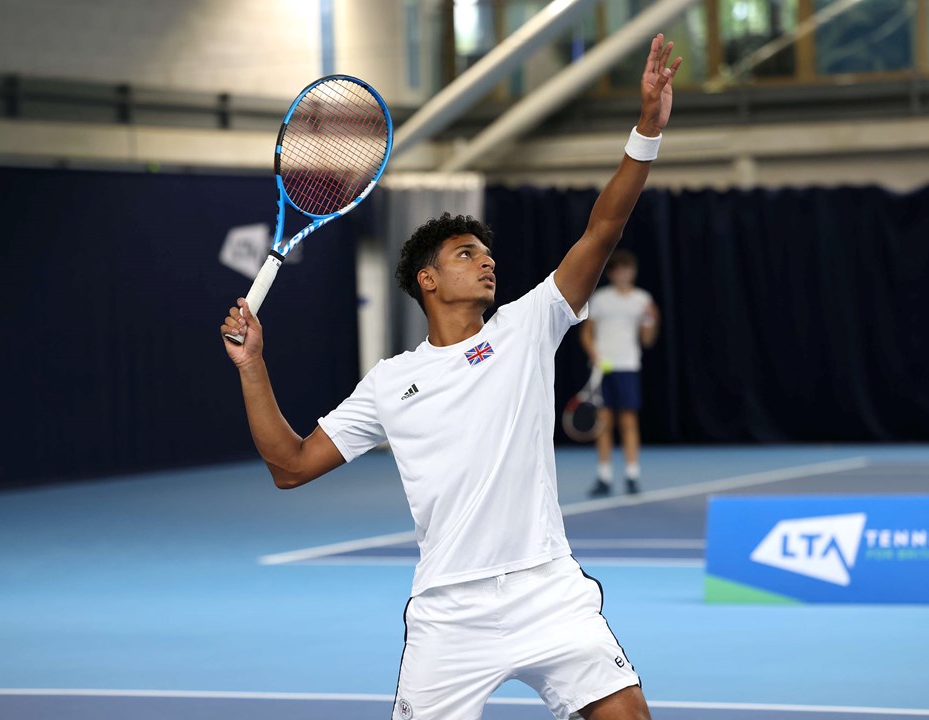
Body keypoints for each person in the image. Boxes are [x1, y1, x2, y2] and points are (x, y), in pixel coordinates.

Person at [221, 34, 681, 720]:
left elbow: (602, 229)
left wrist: (646, 128)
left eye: (488, 254)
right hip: (449, 612)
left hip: (546, 590)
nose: (487, 263)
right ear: (428, 280)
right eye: (468, 254)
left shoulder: (527, 328)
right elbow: (289, 465)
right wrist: (253, 366)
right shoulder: (389, 382)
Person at [580, 249, 660, 497]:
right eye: (619, 270)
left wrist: (652, 321)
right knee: (603, 424)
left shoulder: (642, 300)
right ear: (612, 274)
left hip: (628, 367)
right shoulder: (600, 299)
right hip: (603, 369)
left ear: (633, 273)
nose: (624, 274)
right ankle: (604, 477)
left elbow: (647, 340)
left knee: (628, 422)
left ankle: (632, 476)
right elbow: (586, 333)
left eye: (628, 270)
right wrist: (594, 353)